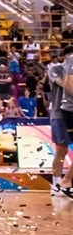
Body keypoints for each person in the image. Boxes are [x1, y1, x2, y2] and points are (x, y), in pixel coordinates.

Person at [48, 47, 73, 196]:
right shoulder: (55, 69)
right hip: (59, 113)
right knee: (61, 150)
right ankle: (56, 184)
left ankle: (66, 181)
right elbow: (64, 84)